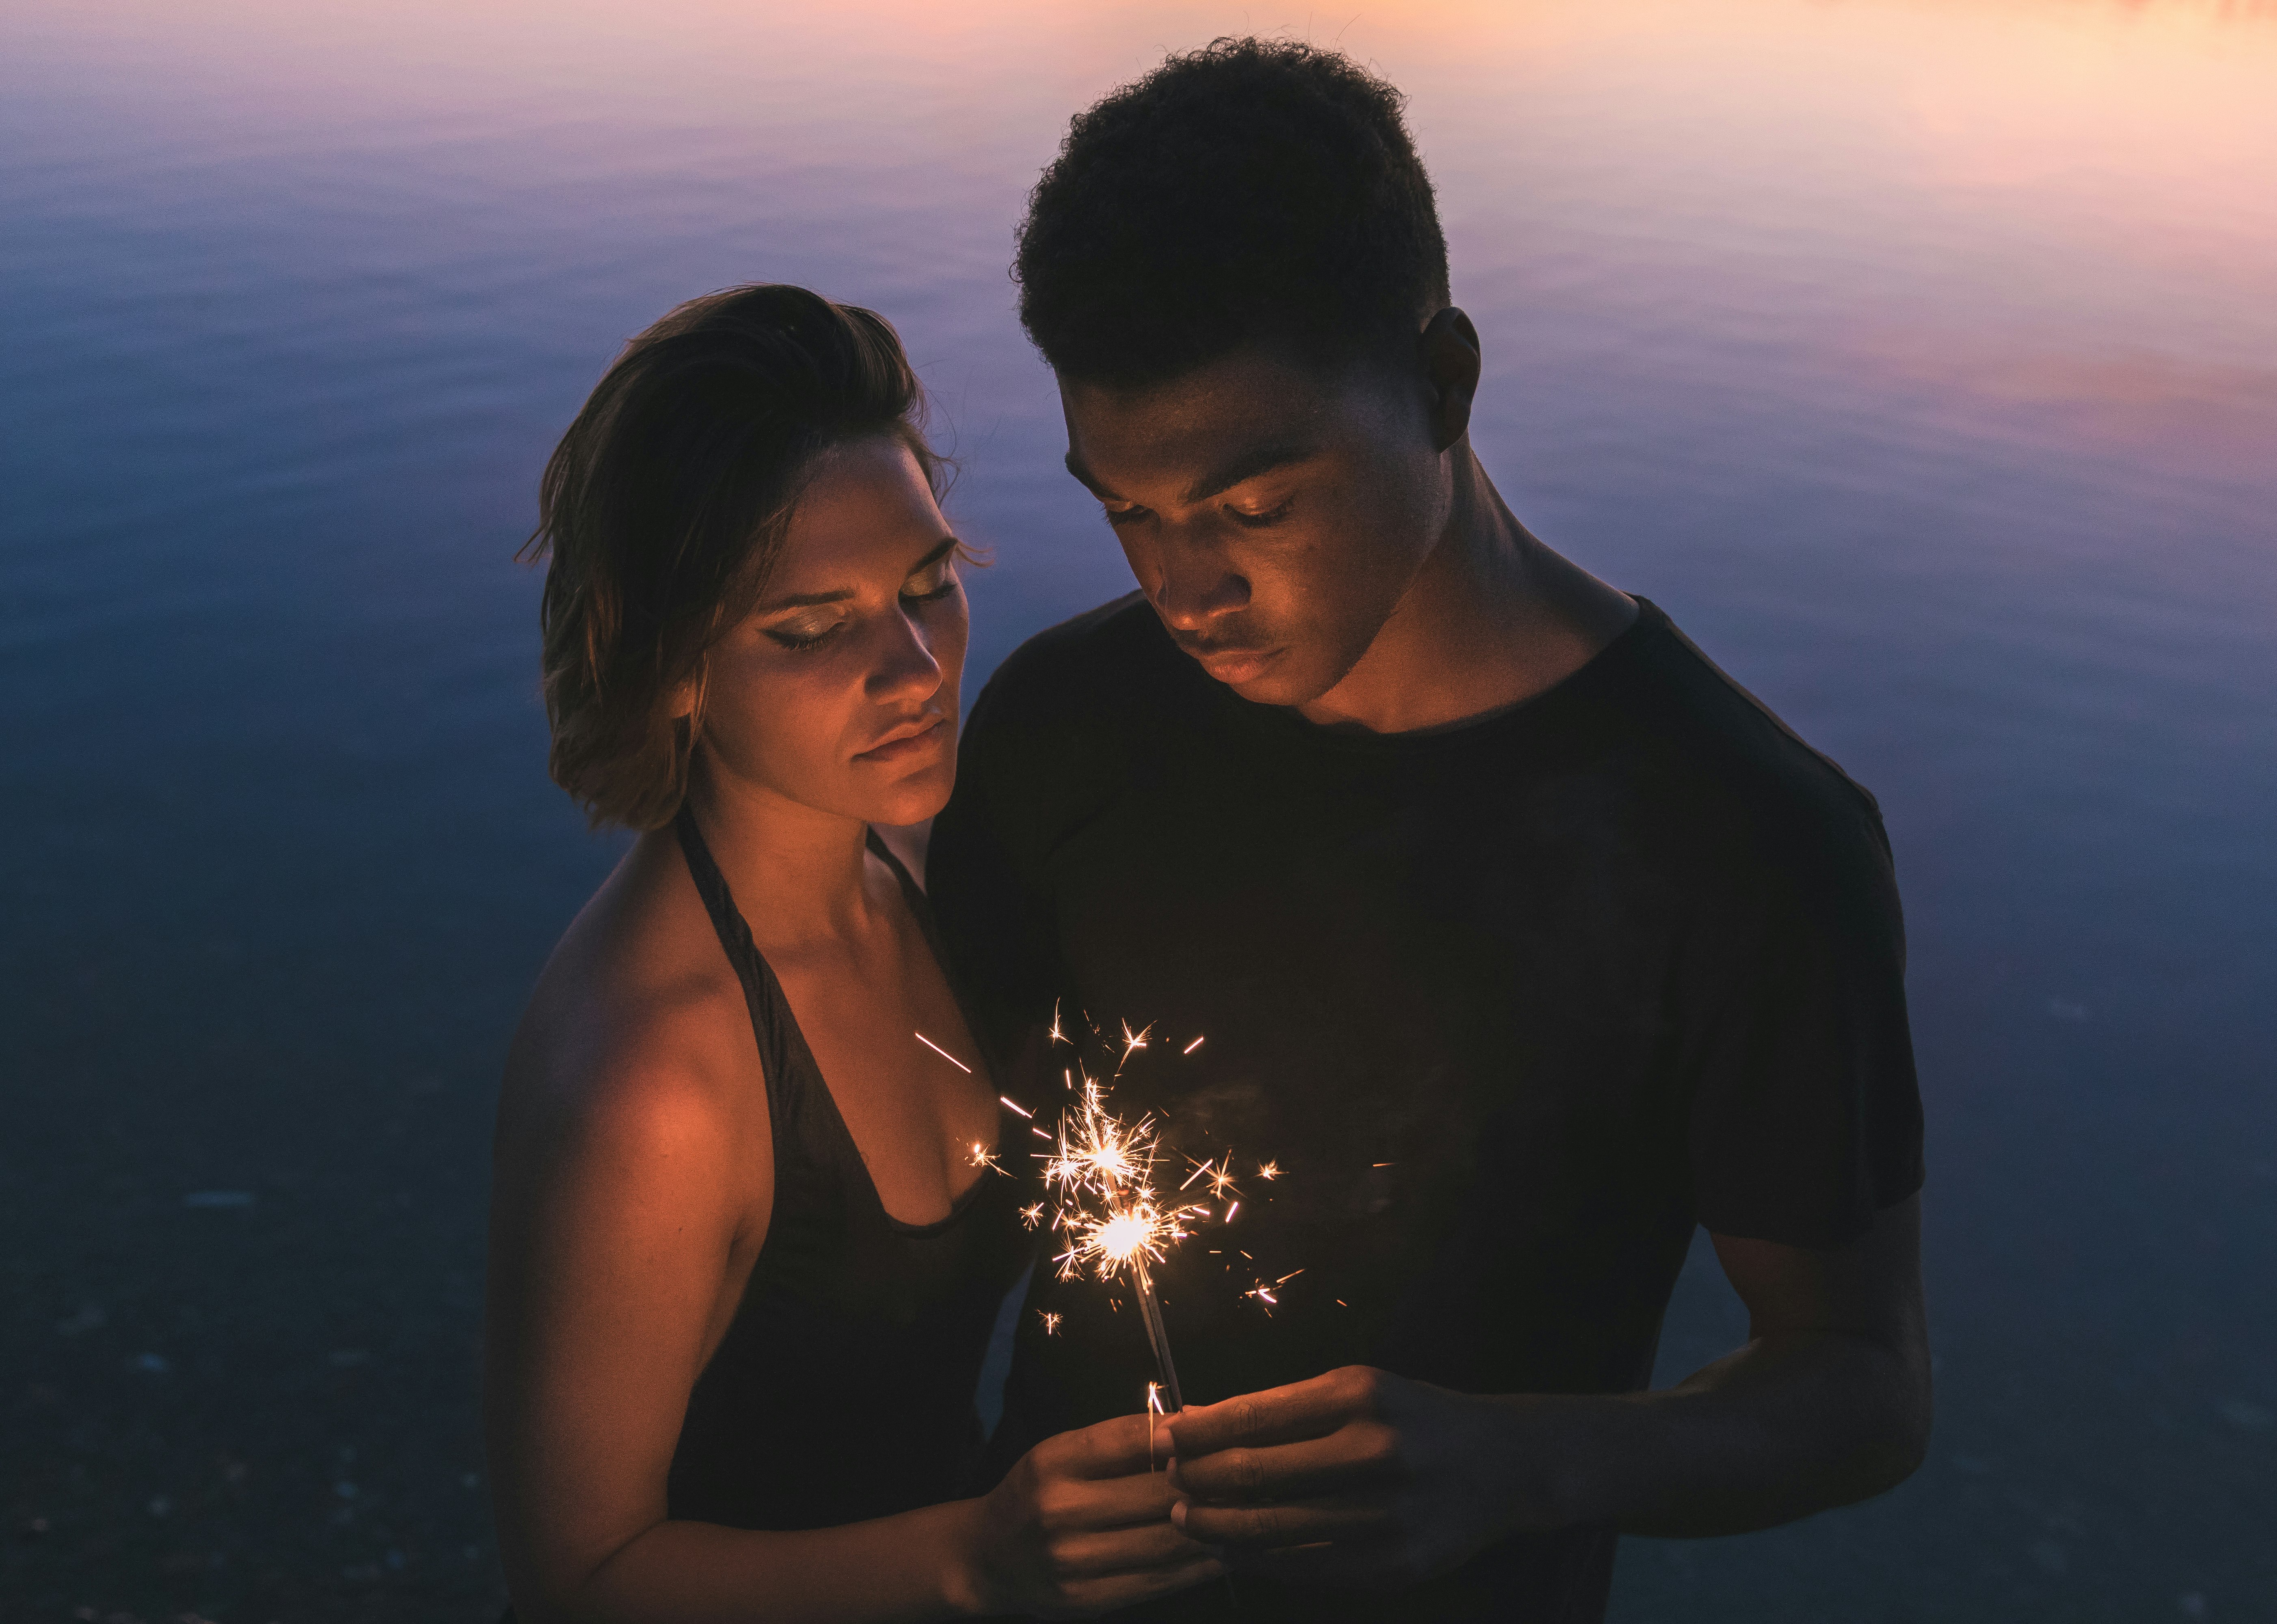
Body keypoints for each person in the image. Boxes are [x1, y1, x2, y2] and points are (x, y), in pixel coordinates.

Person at [929, 39, 1931, 1623]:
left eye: (1253, 506)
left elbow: (1860, 1382)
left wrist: (1523, 1464)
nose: (1181, 590)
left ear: (1443, 381)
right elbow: (964, 1193)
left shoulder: (1746, 839)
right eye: (1125, 506)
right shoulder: (1064, 726)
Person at [484, 284, 1223, 1623]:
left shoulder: (925, 864)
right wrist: (976, 1559)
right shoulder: (660, 1087)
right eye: (812, 631)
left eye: (927, 585)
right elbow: (577, 1579)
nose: (917, 669)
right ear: (672, 669)